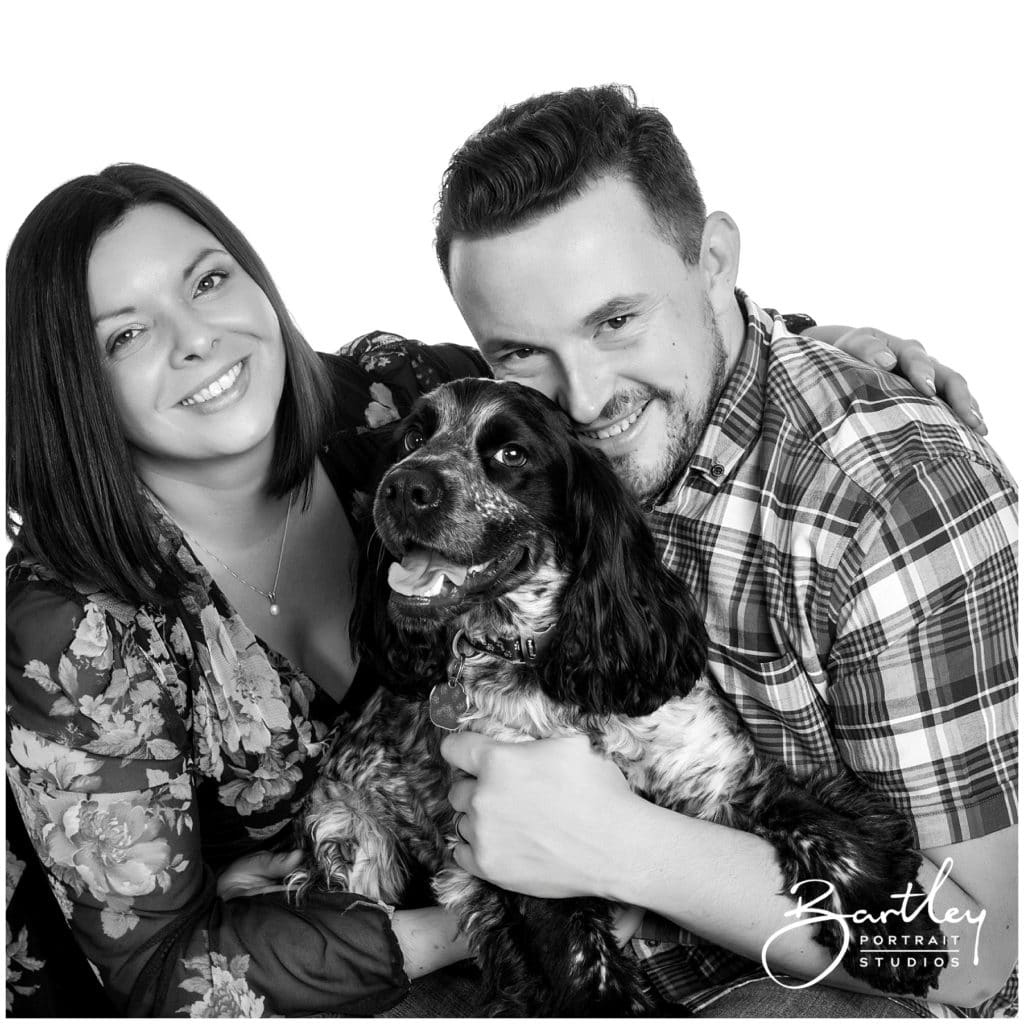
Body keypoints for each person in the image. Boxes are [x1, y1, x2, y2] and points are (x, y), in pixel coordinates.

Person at [2, 162, 988, 1018]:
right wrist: (465, 916)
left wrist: (816, 350)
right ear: (68, 386)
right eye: (123, 335)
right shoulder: (68, 625)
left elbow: (587, 372)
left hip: (576, 895)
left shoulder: (388, 401)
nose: (197, 340)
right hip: (320, 971)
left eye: (209, 280)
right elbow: (159, 979)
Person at [433, 85, 1018, 1018]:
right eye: (520, 354)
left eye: (616, 320)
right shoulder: (534, 448)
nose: (582, 403)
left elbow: (972, 950)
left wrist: (613, 844)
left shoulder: (893, 499)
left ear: (713, 261)